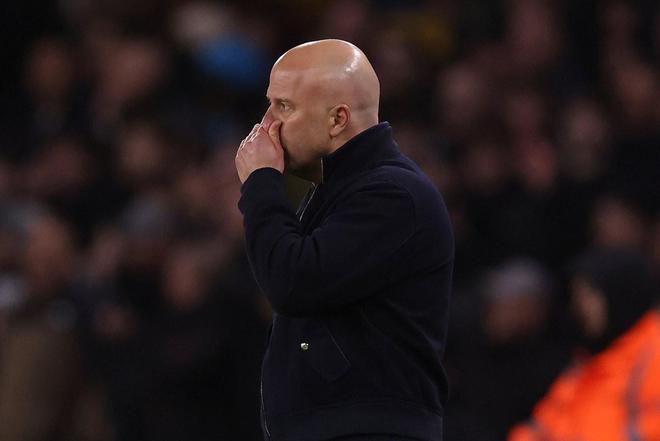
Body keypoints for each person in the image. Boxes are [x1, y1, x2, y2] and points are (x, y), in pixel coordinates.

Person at [235, 39, 454, 440]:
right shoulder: (338, 191)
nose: (266, 124)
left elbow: (292, 282)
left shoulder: (394, 195)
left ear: (338, 119)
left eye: (284, 107)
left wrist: (261, 183)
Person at [508, 247, 660, 441]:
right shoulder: (587, 360)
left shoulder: (652, 355)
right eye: (578, 296)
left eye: (590, 295)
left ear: (618, 292)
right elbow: (542, 427)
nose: (580, 306)